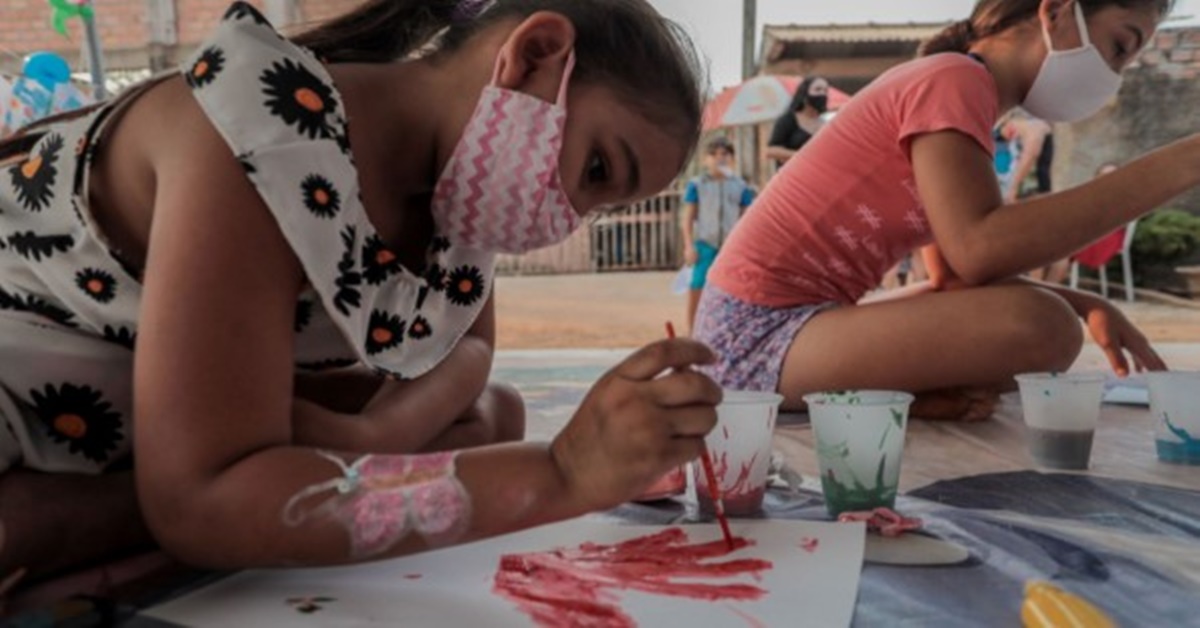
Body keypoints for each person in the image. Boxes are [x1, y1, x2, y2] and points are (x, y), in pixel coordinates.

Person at [0, 0, 716, 582]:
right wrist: (560, 474)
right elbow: (199, 506)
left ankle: (195, 481)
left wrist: (369, 437)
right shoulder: (263, 137)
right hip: (28, 379)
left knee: (492, 415)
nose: (568, 215)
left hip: (151, 401)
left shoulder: (456, 193)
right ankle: (131, 497)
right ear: (535, 54)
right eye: (595, 169)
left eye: (599, 207)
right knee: (185, 505)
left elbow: (467, 355)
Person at [695, 0, 1178, 422]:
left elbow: (953, 279)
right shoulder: (954, 81)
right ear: (1055, 11)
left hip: (784, 328)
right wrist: (1185, 161)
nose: (1113, 76)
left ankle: (899, 396)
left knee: (1042, 322)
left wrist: (1087, 302)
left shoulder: (963, 92)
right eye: (1119, 47)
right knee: (1043, 327)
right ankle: (895, 396)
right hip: (753, 340)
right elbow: (979, 249)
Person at [681, 137, 755, 333]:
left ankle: (726, 331)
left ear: (732, 159)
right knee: (697, 287)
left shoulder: (740, 186)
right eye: (713, 154)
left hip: (731, 247)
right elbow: (688, 217)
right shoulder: (697, 184)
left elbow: (746, 217)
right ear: (705, 160)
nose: (719, 158)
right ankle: (693, 333)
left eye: (724, 154)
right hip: (705, 244)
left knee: (731, 290)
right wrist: (689, 246)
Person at [766, 76, 829, 169]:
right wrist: (801, 156)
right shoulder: (788, 120)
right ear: (804, 93)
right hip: (792, 177)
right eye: (818, 89)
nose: (822, 94)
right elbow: (771, 151)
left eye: (825, 91)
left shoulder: (825, 124)